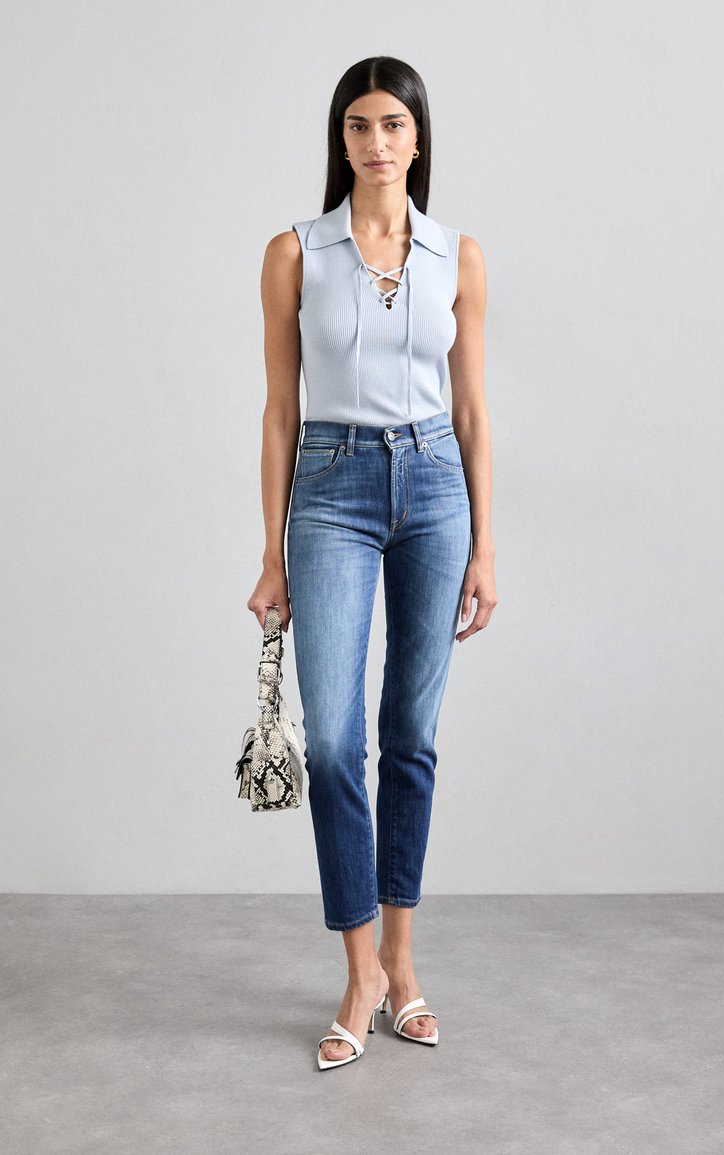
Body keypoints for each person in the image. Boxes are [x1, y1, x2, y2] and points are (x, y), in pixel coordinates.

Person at [247, 55, 497, 1069]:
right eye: (358, 125)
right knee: (333, 741)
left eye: (393, 124)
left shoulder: (457, 256)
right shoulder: (295, 253)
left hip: (435, 485)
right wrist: (271, 554)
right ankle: (358, 972)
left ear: (418, 137)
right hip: (331, 483)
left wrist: (486, 544)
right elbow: (280, 410)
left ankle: (401, 960)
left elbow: (472, 408)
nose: (376, 142)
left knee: (411, 736)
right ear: (339, 139)